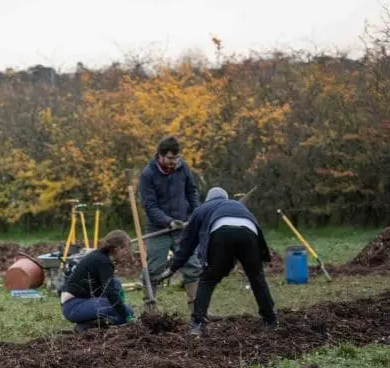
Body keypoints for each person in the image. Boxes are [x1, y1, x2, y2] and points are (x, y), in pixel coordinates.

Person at [160, 187, 277, 336]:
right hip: (249, 232)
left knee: (207, 279)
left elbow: (187, 244)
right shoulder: (237, 205)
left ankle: (197, 324)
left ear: (208, 199)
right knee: (256, 277)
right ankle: (271, 320)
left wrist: (172, 269)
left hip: (221, 231)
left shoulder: (202, 209)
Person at [138, 136, 202, 312]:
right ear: (160, 155)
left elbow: (191, 191)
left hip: (183, 227)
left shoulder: (183, 168)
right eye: (170, 158)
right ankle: (150, 310)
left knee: (192, 266)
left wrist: (197, 213)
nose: (174, 162)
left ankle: (196, 310)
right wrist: (168, 221)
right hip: (158, 229)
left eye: (177, 157)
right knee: (153, 269)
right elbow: (150, 206)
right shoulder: (148, 174)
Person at [60, 230, 136, 331]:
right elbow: (110, 294)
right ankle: (90, 325)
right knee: (128, 311)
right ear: (117, 248)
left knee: (116, 283)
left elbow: (110, 288)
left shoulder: (100, 257)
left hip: (80, 302)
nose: (126, 253)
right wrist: (125, 316)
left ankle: (93, 322)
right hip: (73, 307)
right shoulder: (104, 262)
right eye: (125, 249)